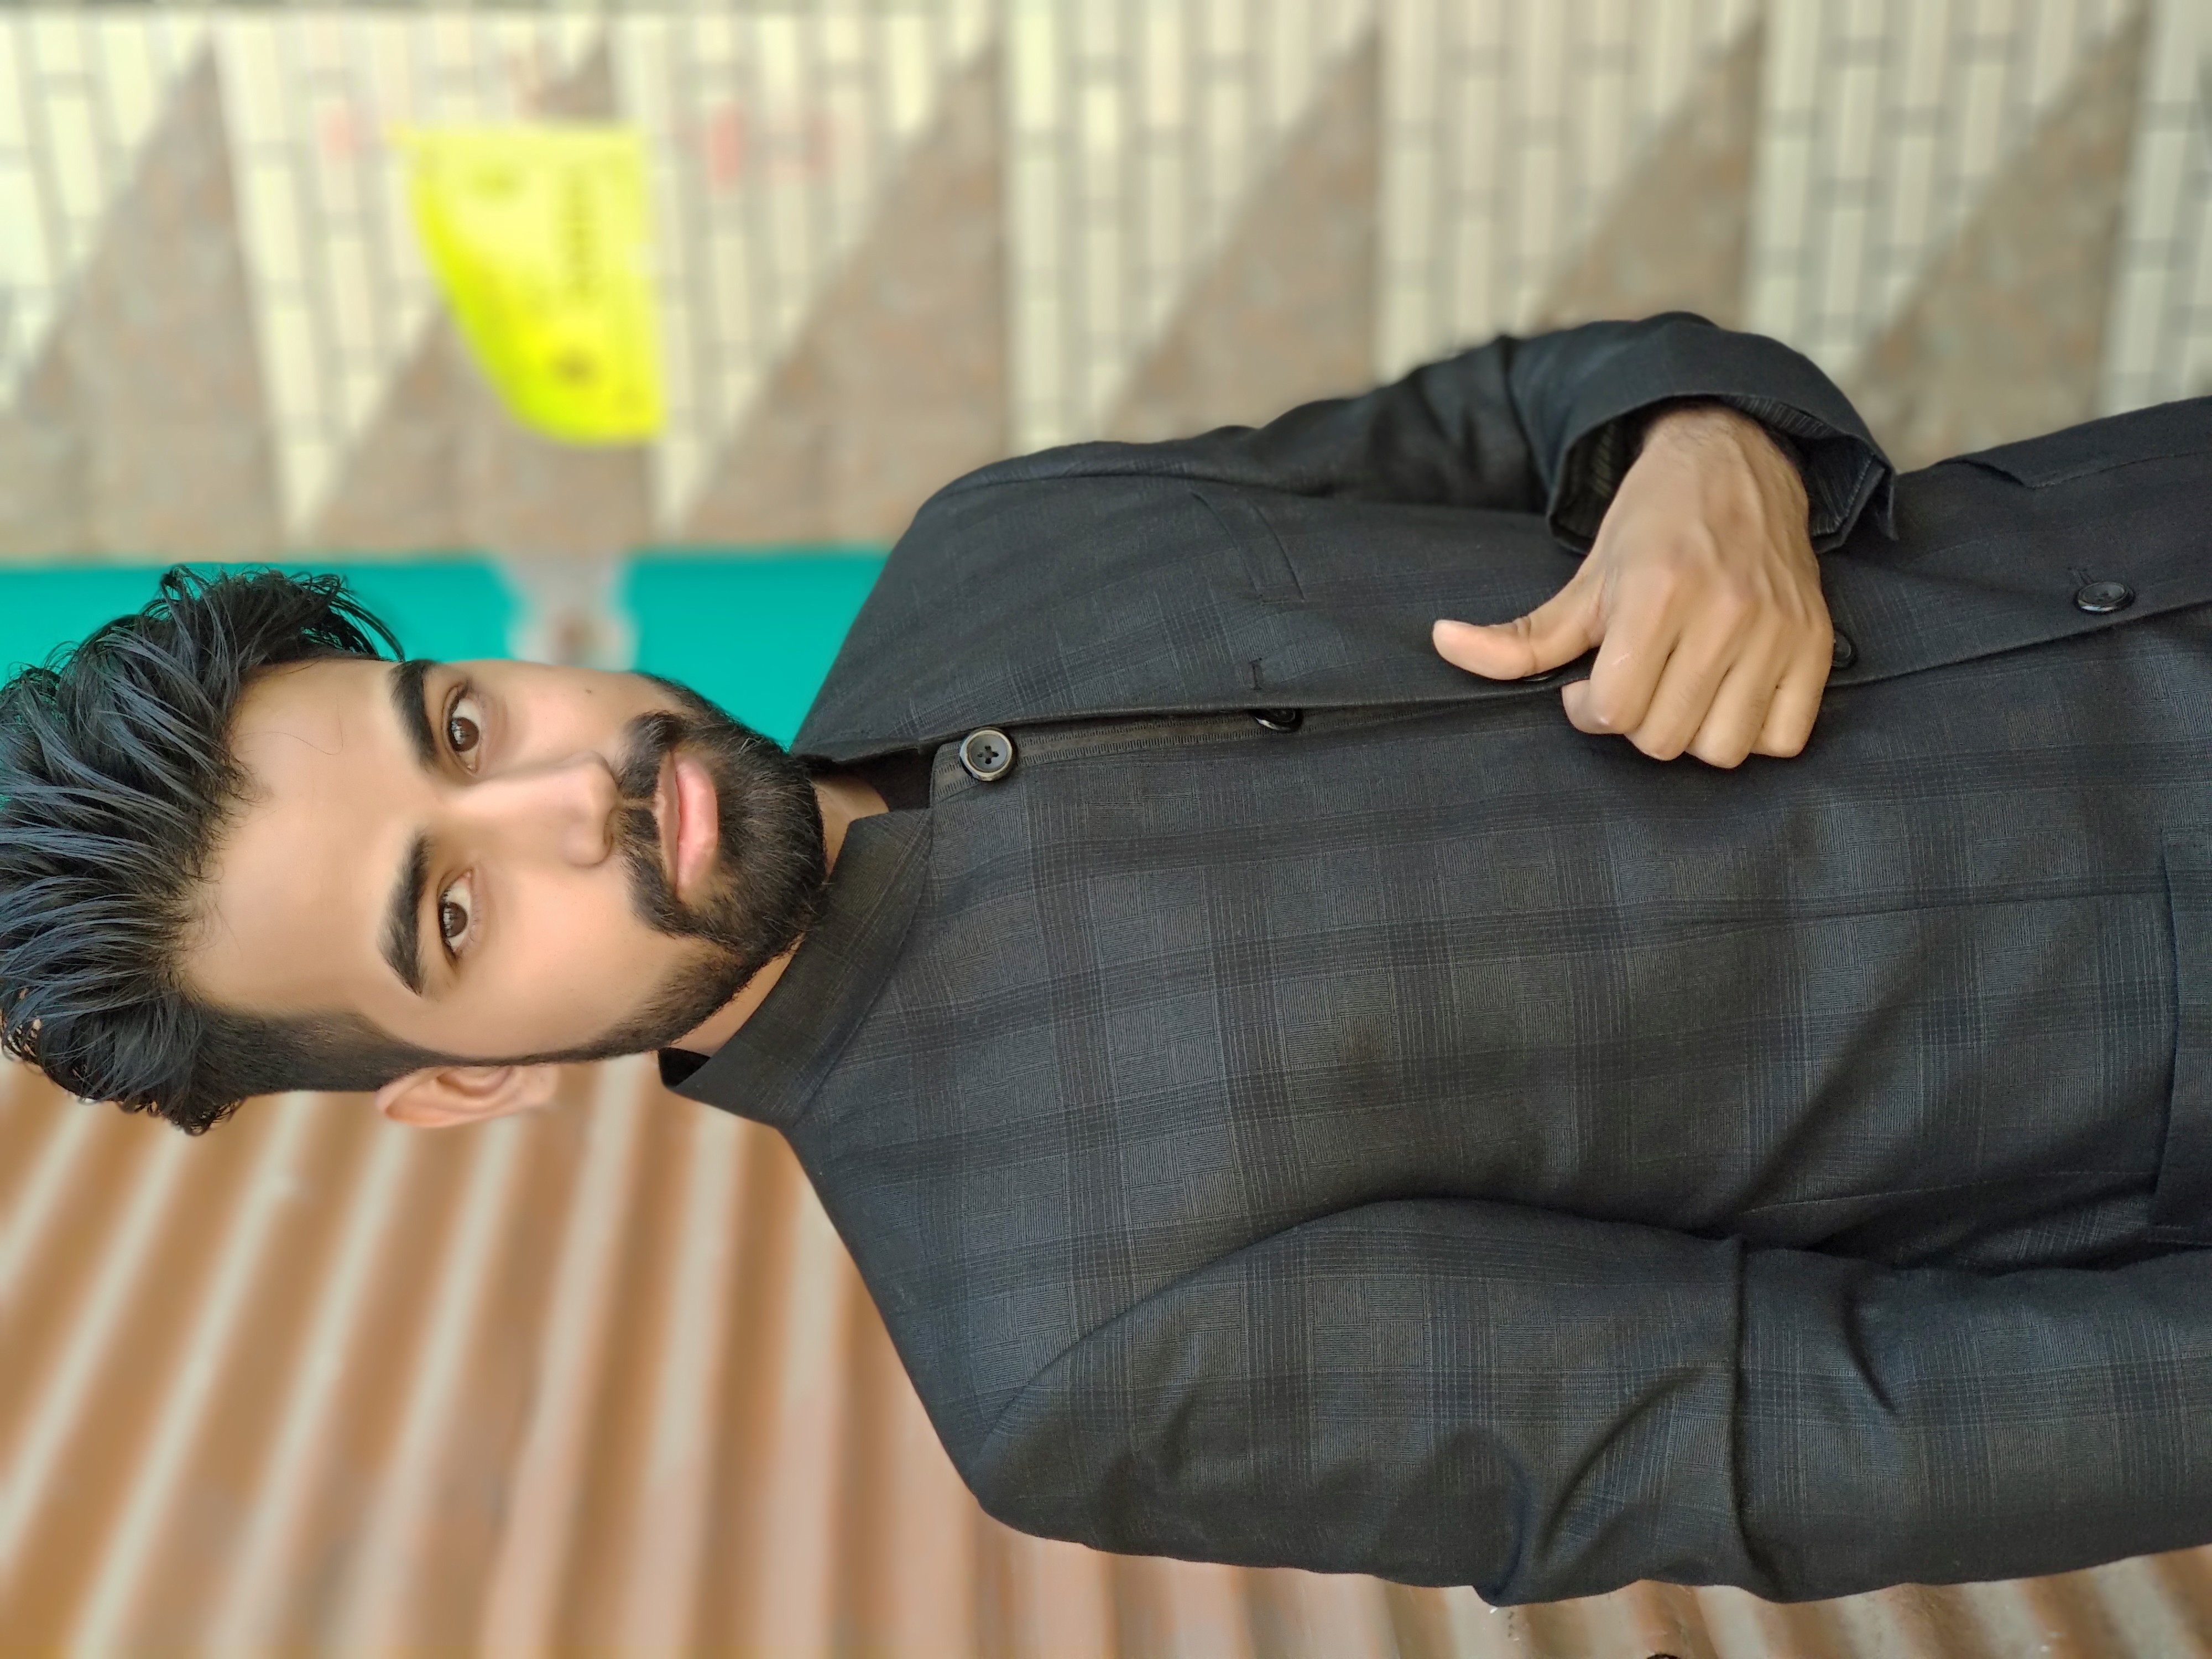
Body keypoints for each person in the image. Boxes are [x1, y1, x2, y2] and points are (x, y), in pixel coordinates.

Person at [4, 312, 2211, 1606]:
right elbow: (1843, 1431)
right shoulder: (1065, 1345)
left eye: (465, 731)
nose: (561, 801)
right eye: (453, 912)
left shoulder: (998, 540)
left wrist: (1698, 452)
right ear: (457, 1078)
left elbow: (1531, 405)